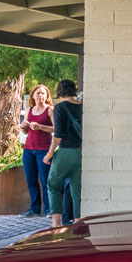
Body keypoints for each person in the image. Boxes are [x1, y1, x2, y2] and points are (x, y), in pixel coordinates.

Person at [45, 79, 82, 227]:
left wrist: (49, 154)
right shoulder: (83, 107)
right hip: (81, 152)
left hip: (66, 151)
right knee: (77, 188)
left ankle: (56, 223)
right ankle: (78, 221)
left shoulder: (59, 108)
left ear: (59, 92)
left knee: (53, 184)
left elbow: (58, 135)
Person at [18, 84, 54, 218]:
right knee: (31, 180)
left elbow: (56, 129)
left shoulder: (50, 110)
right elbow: (26, 131)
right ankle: (34, 209)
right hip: (28, 149)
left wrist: (40, 127)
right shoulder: (29, 110)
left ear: (47, 96)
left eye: (43, 93)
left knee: (45, 180)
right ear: (33, 96)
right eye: (38, 93)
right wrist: (23, 127)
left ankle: (49, 209)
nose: (40, 96)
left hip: (44, 149)